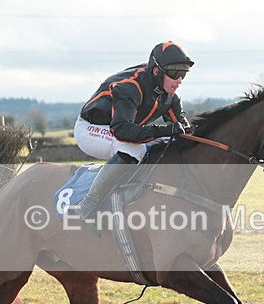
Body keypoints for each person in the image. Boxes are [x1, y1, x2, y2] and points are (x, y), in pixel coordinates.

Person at [72, 41, 194, 232]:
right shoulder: (130, 87)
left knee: (168, 142)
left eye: (183, 74)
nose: (179, 80)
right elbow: (122, 131)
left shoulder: (169, 95)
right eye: (175, 74)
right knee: (132, 148)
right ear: (156, 71)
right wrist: (163, 130)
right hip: (91, 128)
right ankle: (89, 205)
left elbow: (182, 130)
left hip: (122, 127)